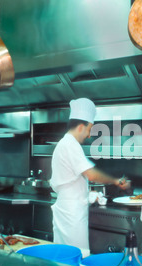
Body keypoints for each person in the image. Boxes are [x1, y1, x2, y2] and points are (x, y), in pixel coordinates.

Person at [50, 98, 130, 251]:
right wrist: (115, 181)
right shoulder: (70, 144)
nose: (88, 135)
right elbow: (91, 174)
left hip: (68, 210)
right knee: (76, 257)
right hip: (71, 214)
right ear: (81, 127)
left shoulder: (65, 143)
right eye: (89, 129)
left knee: (65, 258)